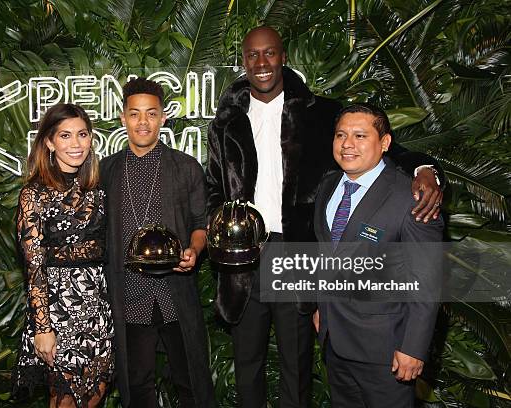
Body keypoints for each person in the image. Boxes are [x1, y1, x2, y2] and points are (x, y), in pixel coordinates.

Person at [205, 26, 444, 407]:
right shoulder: (224, 122)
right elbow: (215, 187)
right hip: (244, 257)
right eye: (253, 55)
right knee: (246, 361)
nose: (262, 63)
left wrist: (425, 169)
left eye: (270, 54)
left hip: (298, 253)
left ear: (283, 57)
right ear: (243, 61)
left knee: (296, 365)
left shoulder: (324, 114)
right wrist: (221, 227)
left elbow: (382, 146)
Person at [312, 103, 443, 407]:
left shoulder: (413, 199)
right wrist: (323, 307)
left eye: (360, 135)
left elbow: (427, 282)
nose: (347, 144)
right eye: (341, 135)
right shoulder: (328, 186)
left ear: (384, 143)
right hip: (335, 343)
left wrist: (413, 347)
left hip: (387, 351)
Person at [100, 77, 215, 408]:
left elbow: (200, 223)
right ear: (123, 118)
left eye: (151, 113)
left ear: (163, 117)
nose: (143, 122)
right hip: (130, 294)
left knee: (190, 379)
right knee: (137, 387)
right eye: (134, 114)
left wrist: (194, 249)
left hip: (174, 291)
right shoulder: (106, 171)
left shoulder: (186, 168)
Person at [12, 103, 113, 408]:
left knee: (95, 396)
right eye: (65, 135)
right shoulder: (34, 194)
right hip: (58, 310)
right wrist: (43, 328)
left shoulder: (98, 190)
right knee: (65, 402)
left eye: (82, 134)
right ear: (49, 142)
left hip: (98, 309)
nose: (76, 144)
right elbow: (34, 266)